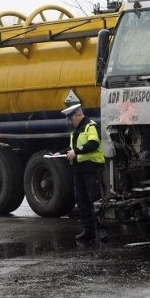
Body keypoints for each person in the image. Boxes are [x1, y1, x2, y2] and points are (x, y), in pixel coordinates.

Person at [59, 103, 107, 244]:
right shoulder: (77, 130)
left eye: (71, 119)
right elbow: (73, 148)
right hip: (79, 169)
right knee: (82, 201)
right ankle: (89, 231)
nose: (70, 122)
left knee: (96, 200)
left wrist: (77, 151)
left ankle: (102, 230)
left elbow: (93, 143)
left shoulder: (90, 126)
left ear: (78, 115)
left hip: (92, 168)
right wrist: (61, 153)